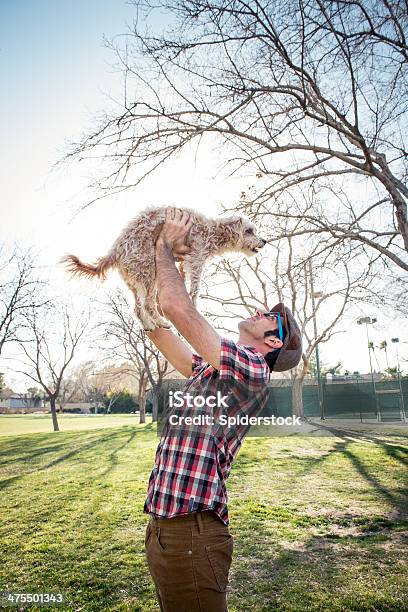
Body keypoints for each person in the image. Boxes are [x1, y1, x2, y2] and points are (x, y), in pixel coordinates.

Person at [143, 208, 302, 612]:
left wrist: (164, 247)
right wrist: (142, 283)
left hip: (192, 536)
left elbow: (179, 309)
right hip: (164, 532)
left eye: (272, 318)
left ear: (273, 344)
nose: (262, 312)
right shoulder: (214, 370)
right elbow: (161, 332)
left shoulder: (252, 372)